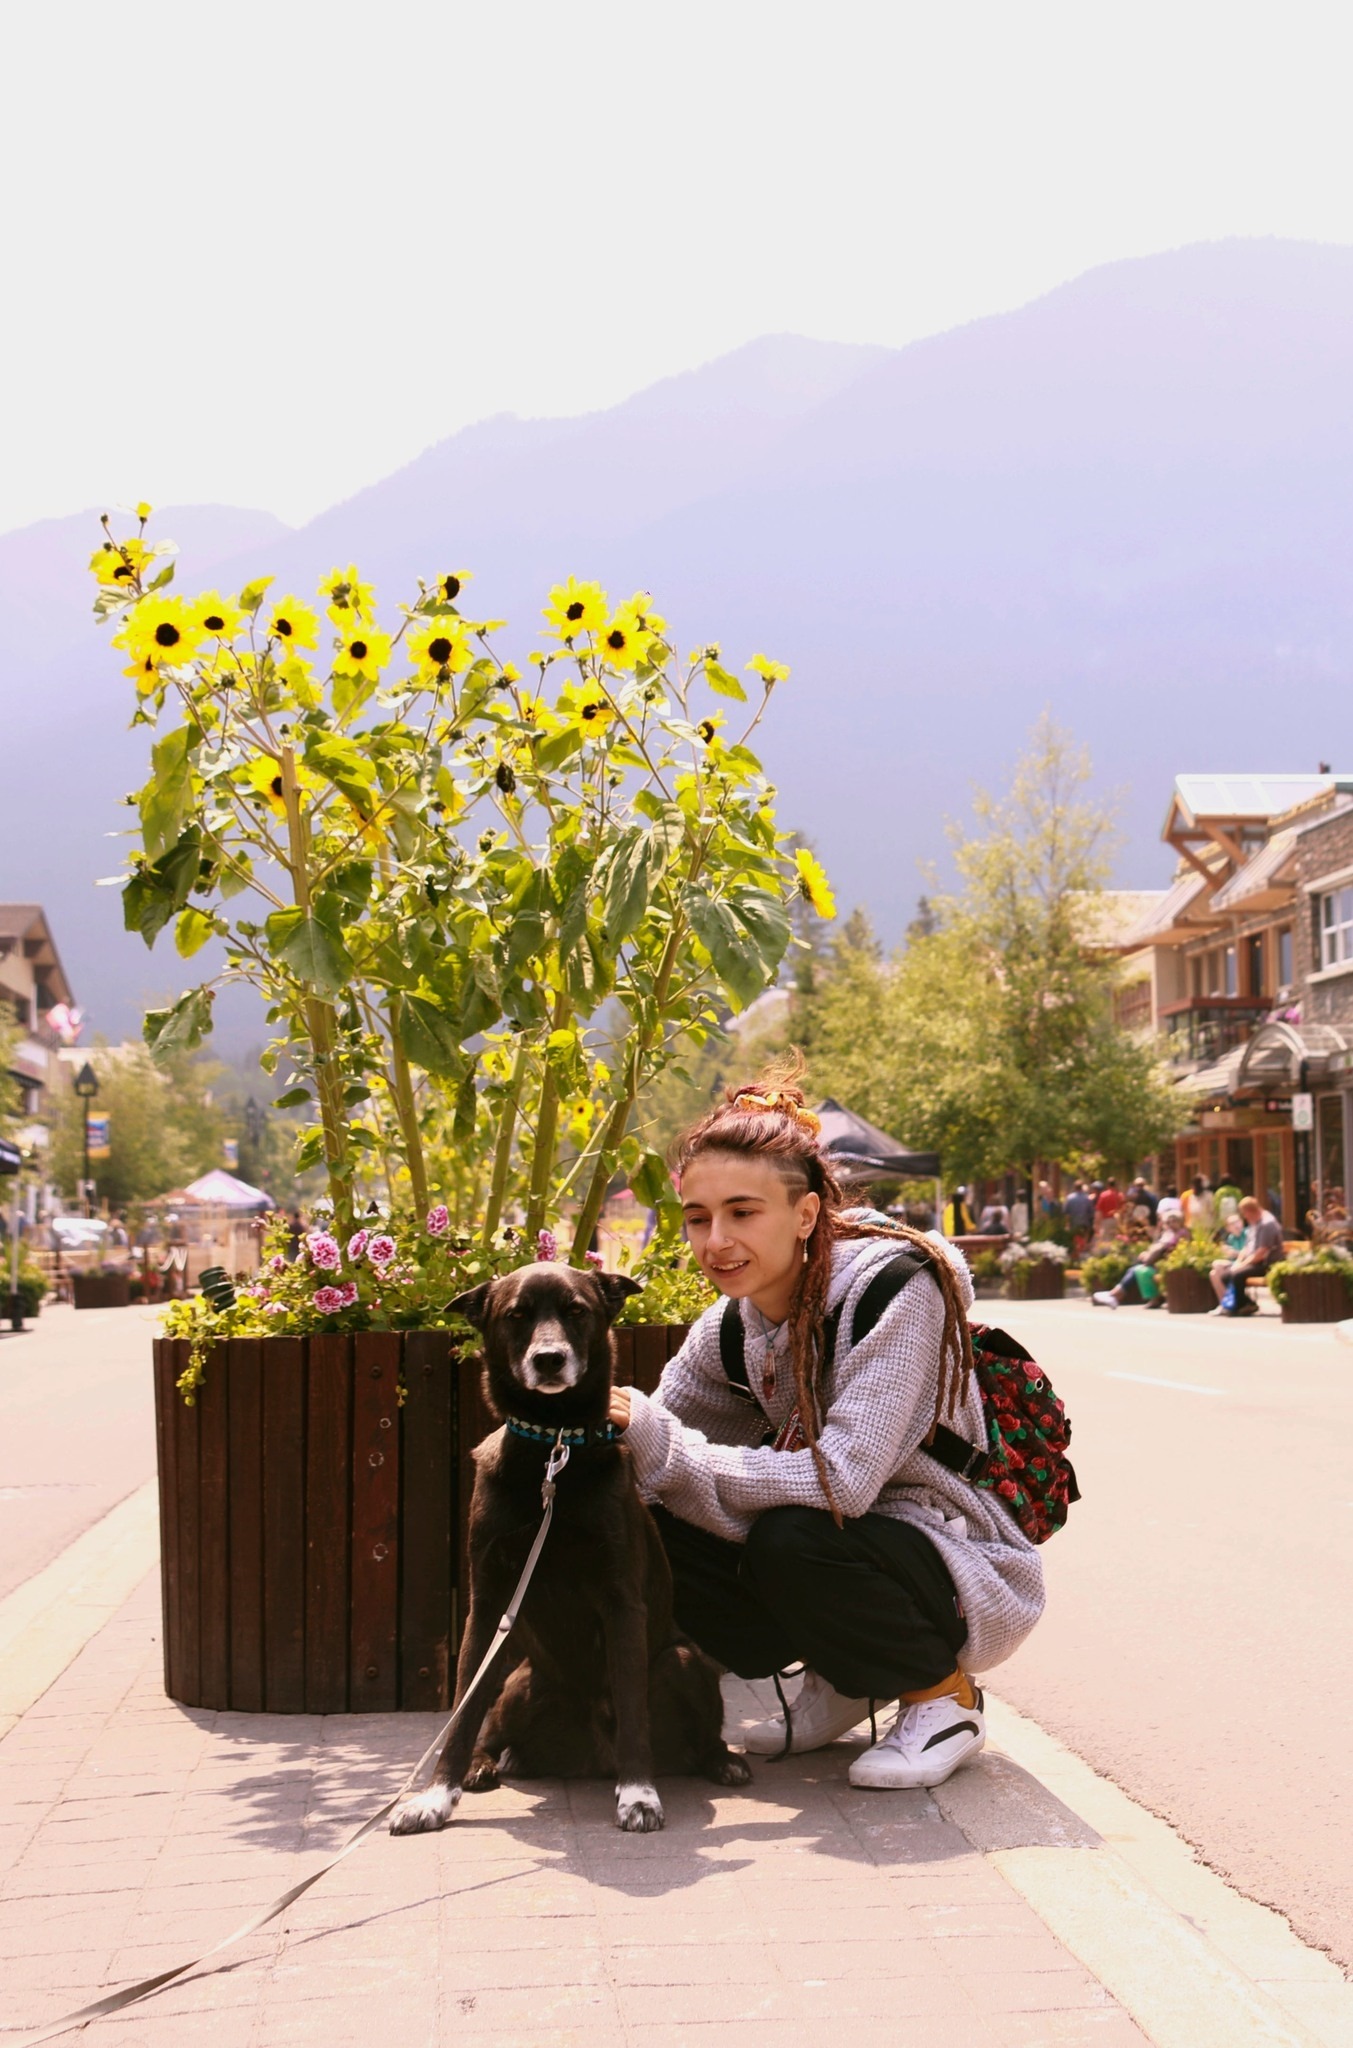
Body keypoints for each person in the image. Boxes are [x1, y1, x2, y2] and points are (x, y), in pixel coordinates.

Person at [606, 1062, 1045, 1791]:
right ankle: (848, 1676)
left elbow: (844, 1481)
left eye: (743, 1212)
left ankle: (944, 1698)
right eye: (698, 1217)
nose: (716, 1241)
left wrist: (664, 1447)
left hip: (954, 1550)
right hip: (848, 1543)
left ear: (805, 1214)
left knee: (792, 1533)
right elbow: (657, 1443)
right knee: (643, 1522)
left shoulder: (896, 1290)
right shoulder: (730, 1327)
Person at [1092, 1208, 1187, 1308]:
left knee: (1139, 1269)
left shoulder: (1182, 1233)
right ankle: (1115, 1295)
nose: (1171, 1224)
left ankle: (1115, 1295)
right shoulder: (1168, 1234)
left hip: (1170, 1264)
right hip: (1160, 1261)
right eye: (1168, 1222)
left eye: (1174, 1221)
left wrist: (1150, 1254)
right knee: (1135, 1269)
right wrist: (1148, 1253)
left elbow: (1165, 1249)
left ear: (1180, 1222)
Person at [1209, 1196, 1283, 1314]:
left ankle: (1244, 1305)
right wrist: (1238, 1262)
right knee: (1226, 1275)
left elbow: (1261, 1252)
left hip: (1266, 1263)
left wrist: (1242, 1265)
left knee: (1236, 1275)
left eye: (1245, 1213)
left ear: (1250, 1211)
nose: (1245, 1217)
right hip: (1254, 1261)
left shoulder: (1267, 1224)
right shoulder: (1254, 1224)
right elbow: (1247, 1247)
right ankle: (1245, 1303)